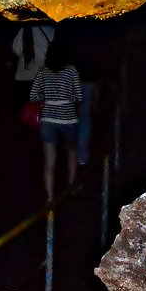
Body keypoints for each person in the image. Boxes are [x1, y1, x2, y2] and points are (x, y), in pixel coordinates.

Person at [28, 38, 82, 201]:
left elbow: (33, 96)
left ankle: (50, 197)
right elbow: (78, 96)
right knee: (71, 151)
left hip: (48, 119)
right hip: (68, 119)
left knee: (49, 161)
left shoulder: (43, 72)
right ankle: (72, 186)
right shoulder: (72, 71)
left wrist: (47, 97)